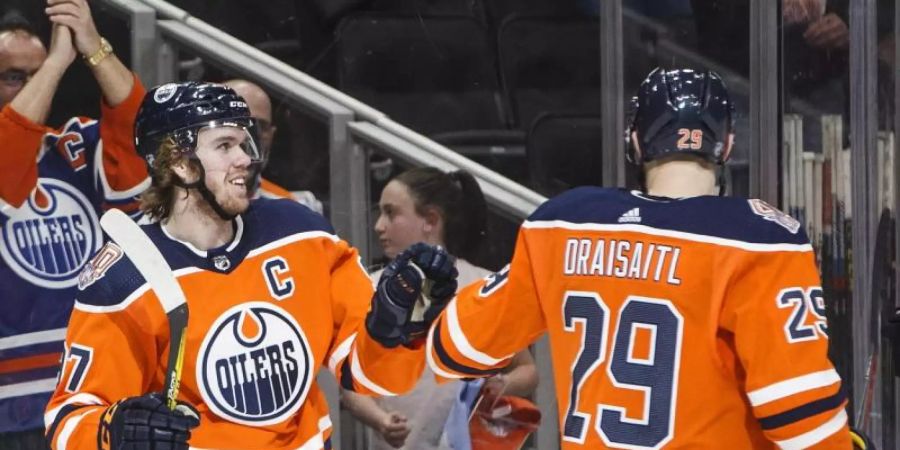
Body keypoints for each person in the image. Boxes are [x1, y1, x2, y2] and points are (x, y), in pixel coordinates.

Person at [423, 68, 855, 448]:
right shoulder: (760, 239)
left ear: (634, 140)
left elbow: (457, 350)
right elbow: (800, 417)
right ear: (725, 146)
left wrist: (438, 306)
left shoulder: (563, 222)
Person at [43, 81, 457, 450]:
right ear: (180, 163)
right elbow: (67, 419)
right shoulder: (123, 276)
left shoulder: (303, 234)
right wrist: (113, 432)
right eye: (225, 146)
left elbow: (376, 379)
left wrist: (397, 328)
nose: (245, 159)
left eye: (245, 144)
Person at [0, 2, 148, 447]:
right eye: (13, 76)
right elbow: (7, 157)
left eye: (38, 71)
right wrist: (58, 63)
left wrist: (93, 48)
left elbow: (138, 132)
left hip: (90, 392)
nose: (32, 85)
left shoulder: (73, 147)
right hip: (11, 404)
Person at [341, 167, 539, 449]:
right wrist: (380, 420)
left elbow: (527, 370)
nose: (379, 225)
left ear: (430, 220)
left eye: (391, 213)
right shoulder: (368, 289)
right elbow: (351, 385)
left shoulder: (483, 286)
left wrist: (498, 386)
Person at [222, 78, 323, 214]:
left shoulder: (296, 211)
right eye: (236, 123)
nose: (248, 137)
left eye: (260, 127)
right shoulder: (185, 208)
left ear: (271, 135)